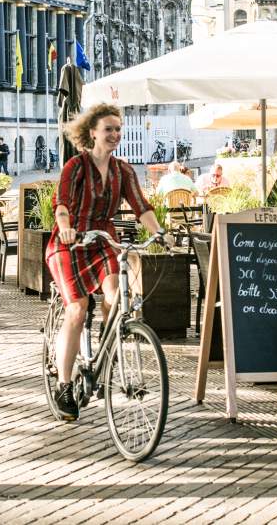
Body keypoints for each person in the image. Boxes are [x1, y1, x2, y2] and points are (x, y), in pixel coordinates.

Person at [45, 103, 165, 421]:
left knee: (115, 299)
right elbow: (62, 203)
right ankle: (65, 384)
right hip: (68, 244)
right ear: (93, 132)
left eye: (117, 129)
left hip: (102, 241)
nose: (114, 134)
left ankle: (105, 349)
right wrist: (66, 226)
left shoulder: (122, 170)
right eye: (108, 129)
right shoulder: (77, 166)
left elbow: (140, 205)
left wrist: (160, 232)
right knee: (77, 308)